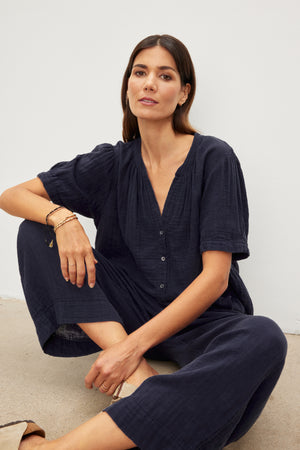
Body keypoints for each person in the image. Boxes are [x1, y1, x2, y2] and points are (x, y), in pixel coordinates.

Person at [0, 34, 287, 450]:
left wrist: (131, 347)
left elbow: (216, 279)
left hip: (204, 320)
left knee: (265, 337)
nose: (149, 83)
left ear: (184, 92)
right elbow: (11, 196)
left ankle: (49, 448)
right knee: (36, 230)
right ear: (128, 85)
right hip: (129, 307)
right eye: (140, 72)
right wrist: (62, 218)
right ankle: (142, 383)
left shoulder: (214, 157)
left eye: (164, 75)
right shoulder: (112, 162)